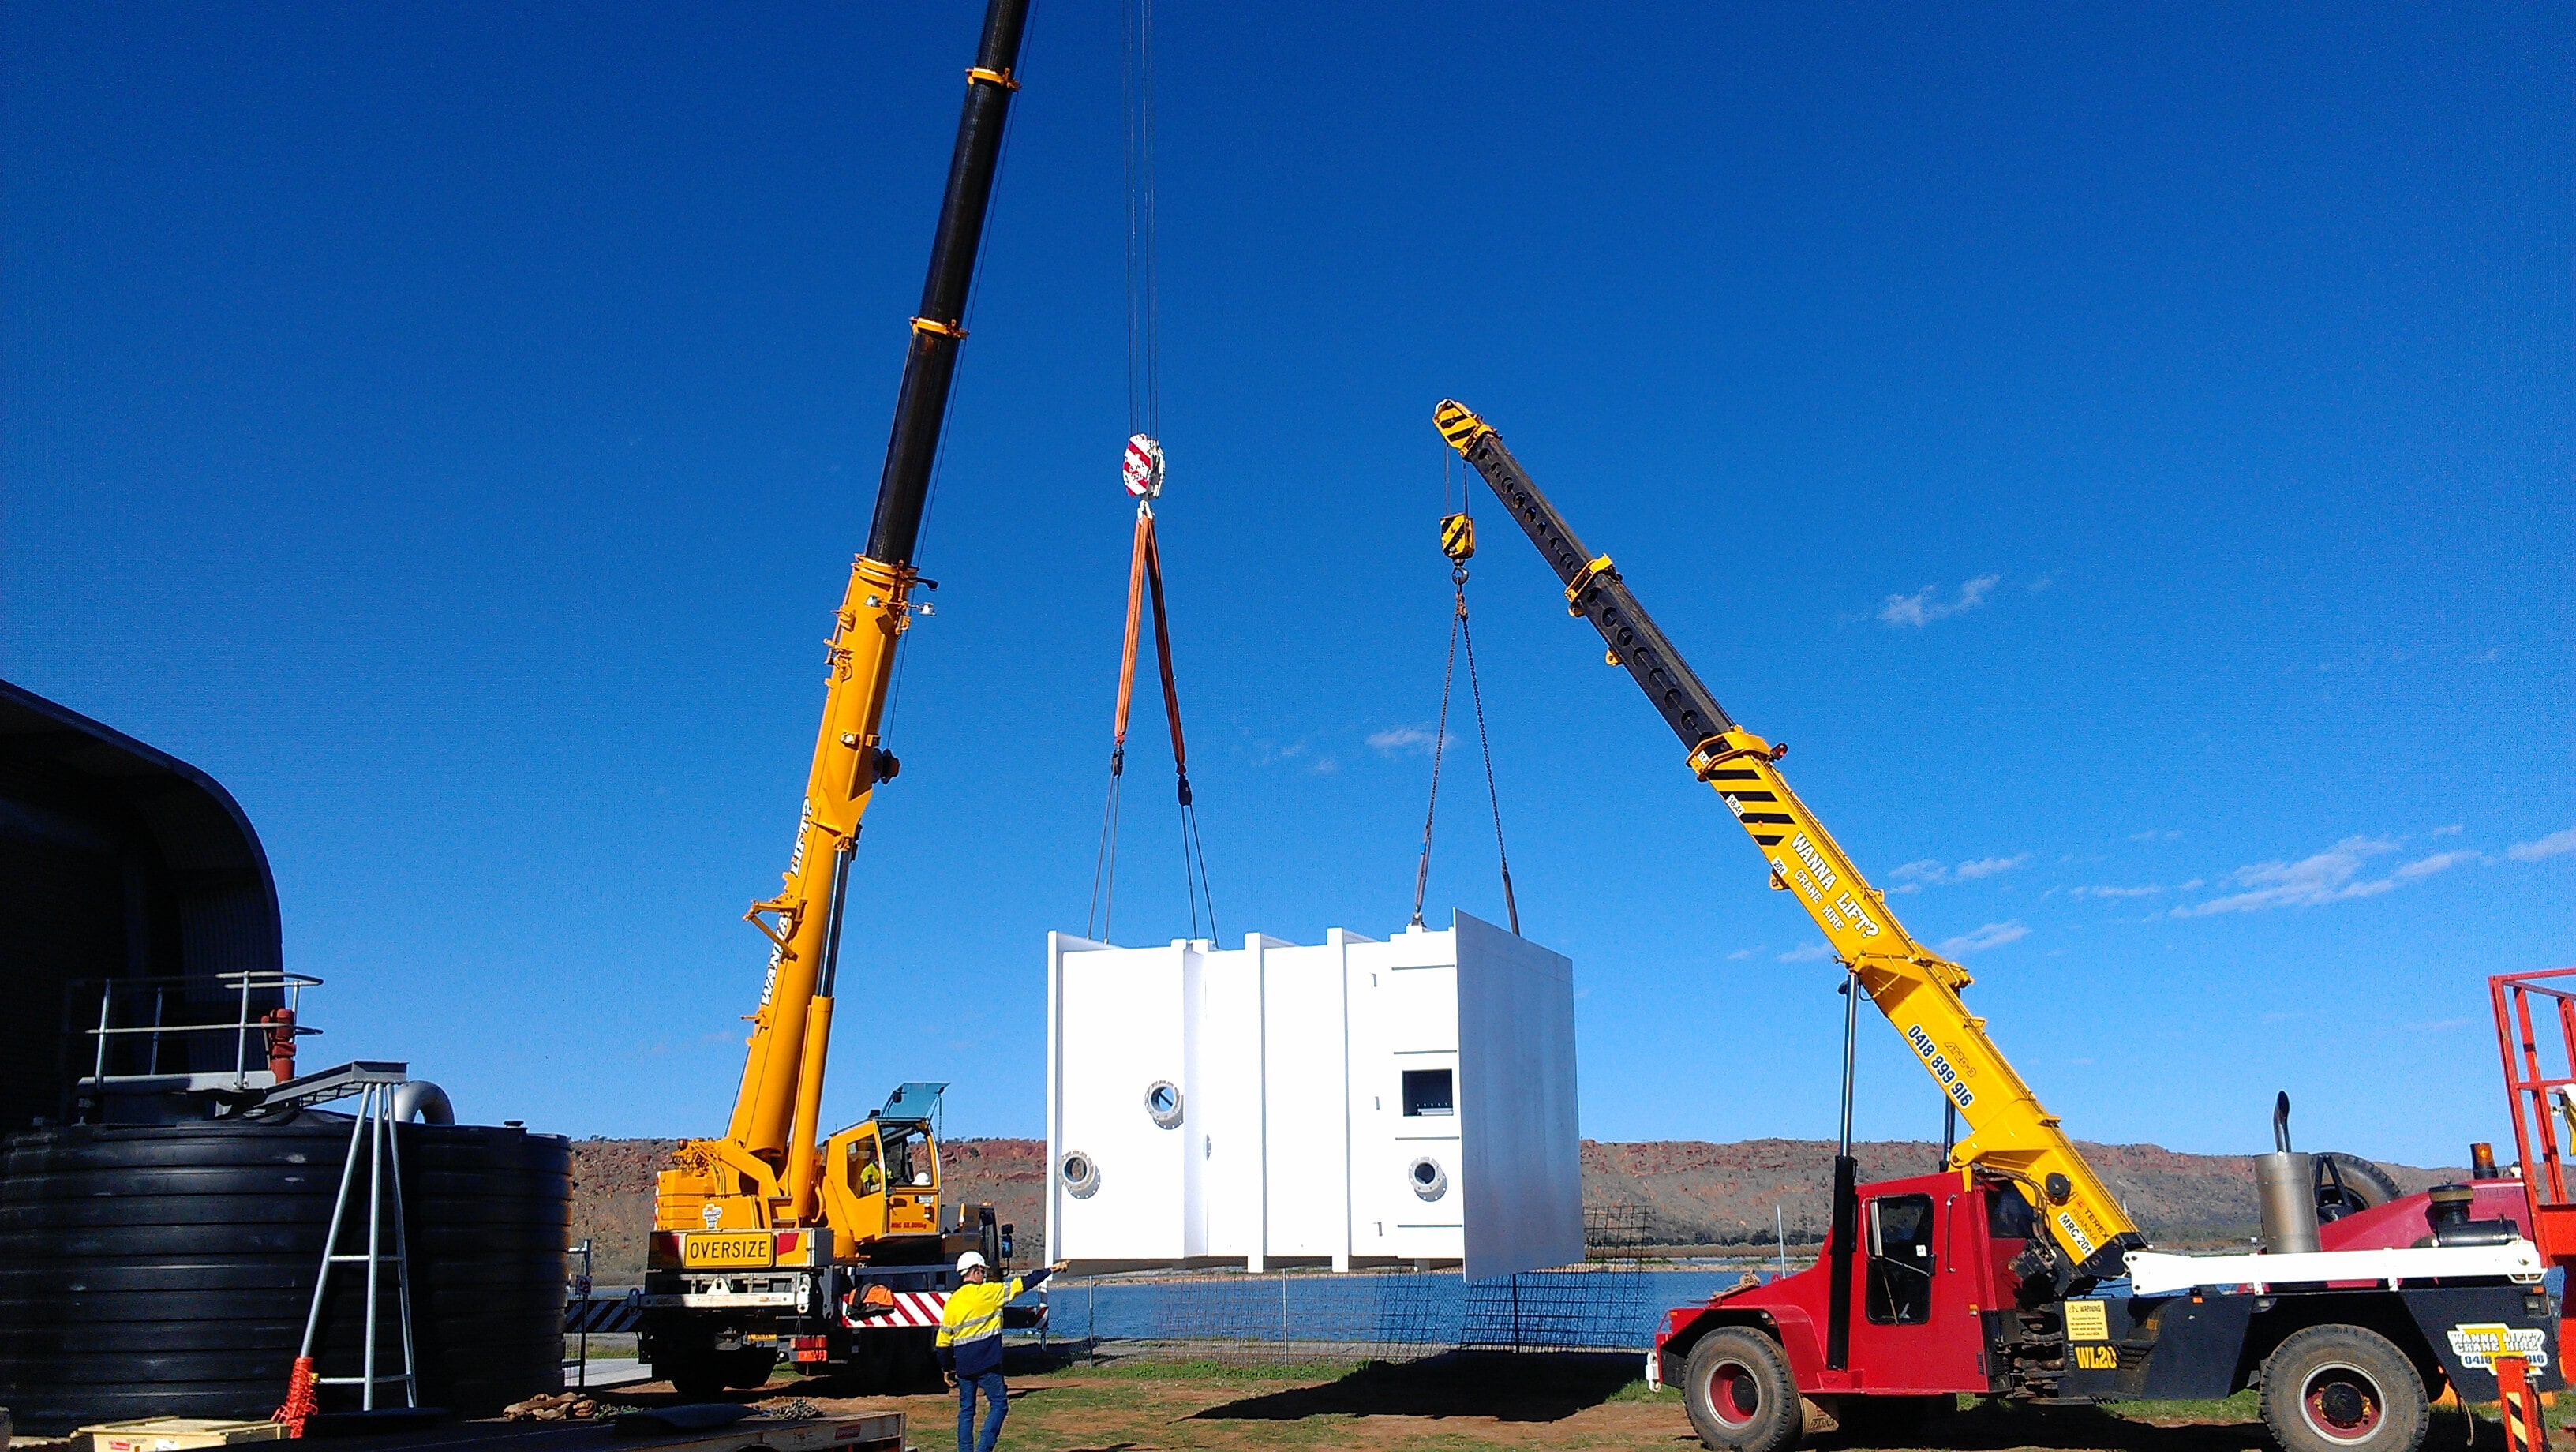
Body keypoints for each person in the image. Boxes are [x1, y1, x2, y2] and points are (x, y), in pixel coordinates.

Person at [935, 1251, 1065, 1452]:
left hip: (964, 1365)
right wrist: (1051, 1270)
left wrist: (947, 1368)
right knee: (999, 1404)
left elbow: (943, 1341)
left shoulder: (953, 1302)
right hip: (987, 1363)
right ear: (976, 1270)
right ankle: (984, 1449)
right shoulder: (990, 1293)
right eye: (983, 1271)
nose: (984, 1275)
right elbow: (1024, 1283)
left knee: (967, 1411)